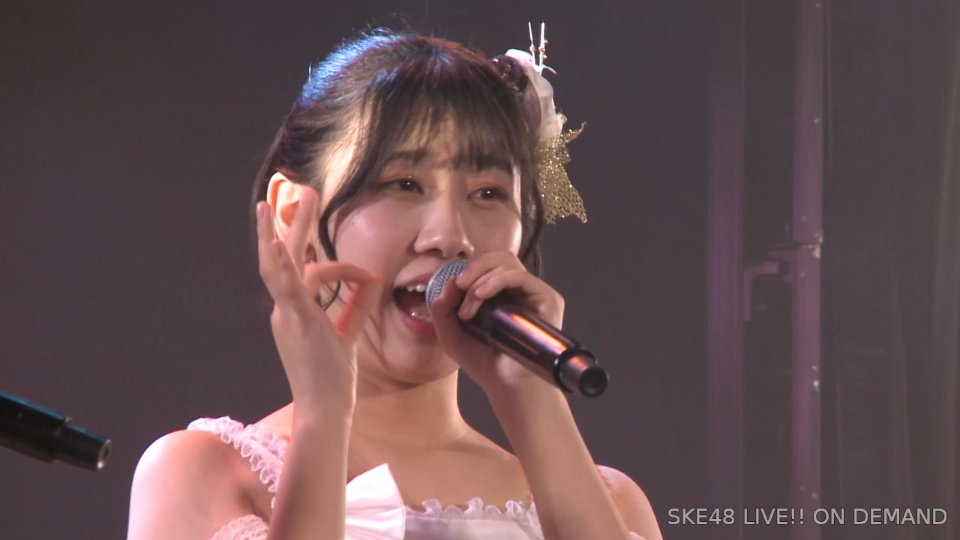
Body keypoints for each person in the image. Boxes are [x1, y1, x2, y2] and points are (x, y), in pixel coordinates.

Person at [127, 28, 663, 540]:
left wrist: (532, 399)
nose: (450, 237)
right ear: (294, 216)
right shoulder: (204, 475)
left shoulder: (613, 505)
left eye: (488, 193)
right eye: (404, 184)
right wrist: (323, 417)